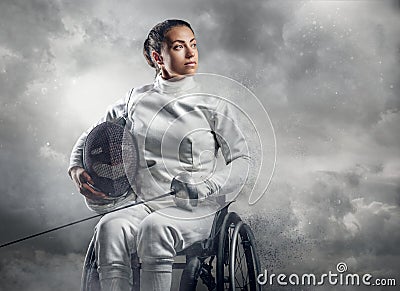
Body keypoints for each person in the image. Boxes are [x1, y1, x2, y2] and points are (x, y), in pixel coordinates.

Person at [68, 19, 250, 291]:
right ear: (157, 57)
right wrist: (76, 169)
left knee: (156, 228)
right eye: (179, 47)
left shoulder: (212, 104)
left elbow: (243, 161)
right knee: (110, 227)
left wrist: (207, 186)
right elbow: (91, 136)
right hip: (142, 204)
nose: (191, 54)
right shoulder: (133, 100)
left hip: (195, 208)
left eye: (194, 45)